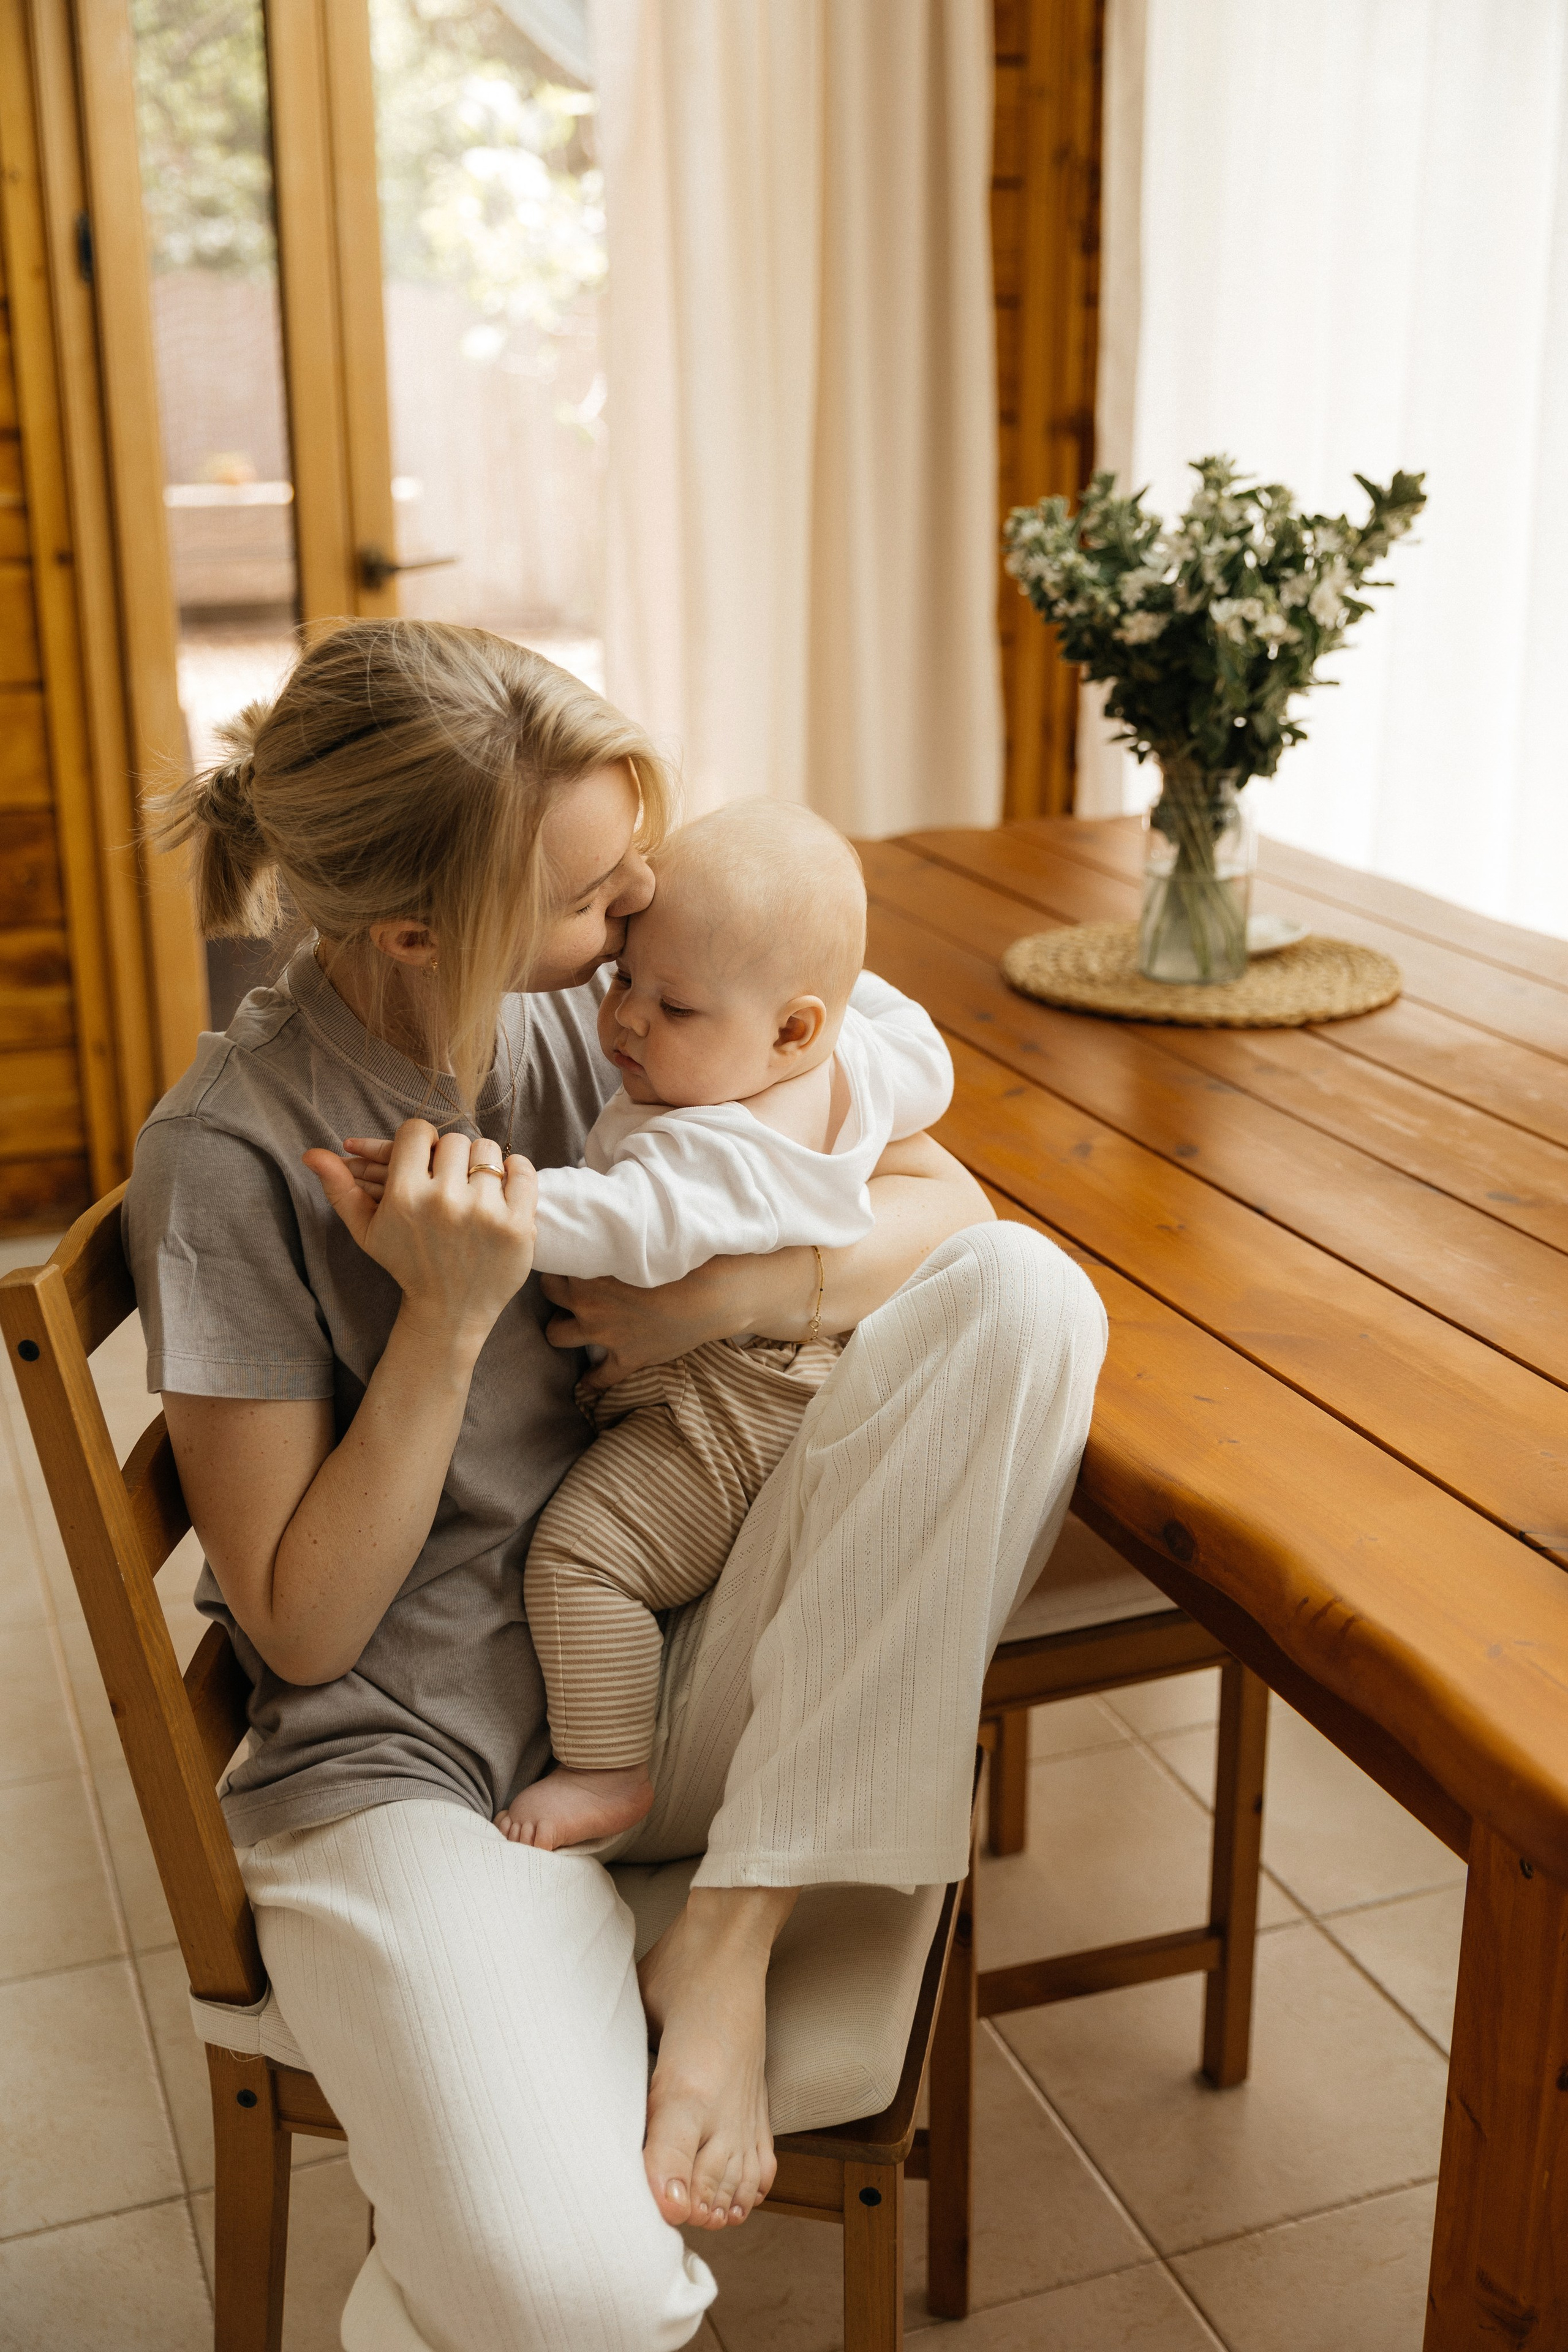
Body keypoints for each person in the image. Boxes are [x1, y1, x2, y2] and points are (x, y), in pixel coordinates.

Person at [126, 618, 1107, 2352]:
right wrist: (441, 1320)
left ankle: (719, 1944)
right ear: (423, 927)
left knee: (1028, 1303)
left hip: (673, 1656)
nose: (638, 904)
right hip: (416, 1759)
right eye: (592, 896)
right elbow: (297, 1623)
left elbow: (950, 1211)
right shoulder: (232, 1153)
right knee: (562, 2297)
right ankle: (459, 2226)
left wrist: (726, 1297)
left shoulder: (620, 1008)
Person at [344, 796, 956, 1855]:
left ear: (793, 1030)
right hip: (774, 1370)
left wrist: (476, 1190)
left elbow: (631, 1225)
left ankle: (609, 1767)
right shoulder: (862, 1060)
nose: (625, 1020)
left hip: (725, 1407)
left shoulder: (722, 1145)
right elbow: (907, 1033)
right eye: (625, 979)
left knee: (585, 1556)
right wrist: (790, 975)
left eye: (674, 1009)